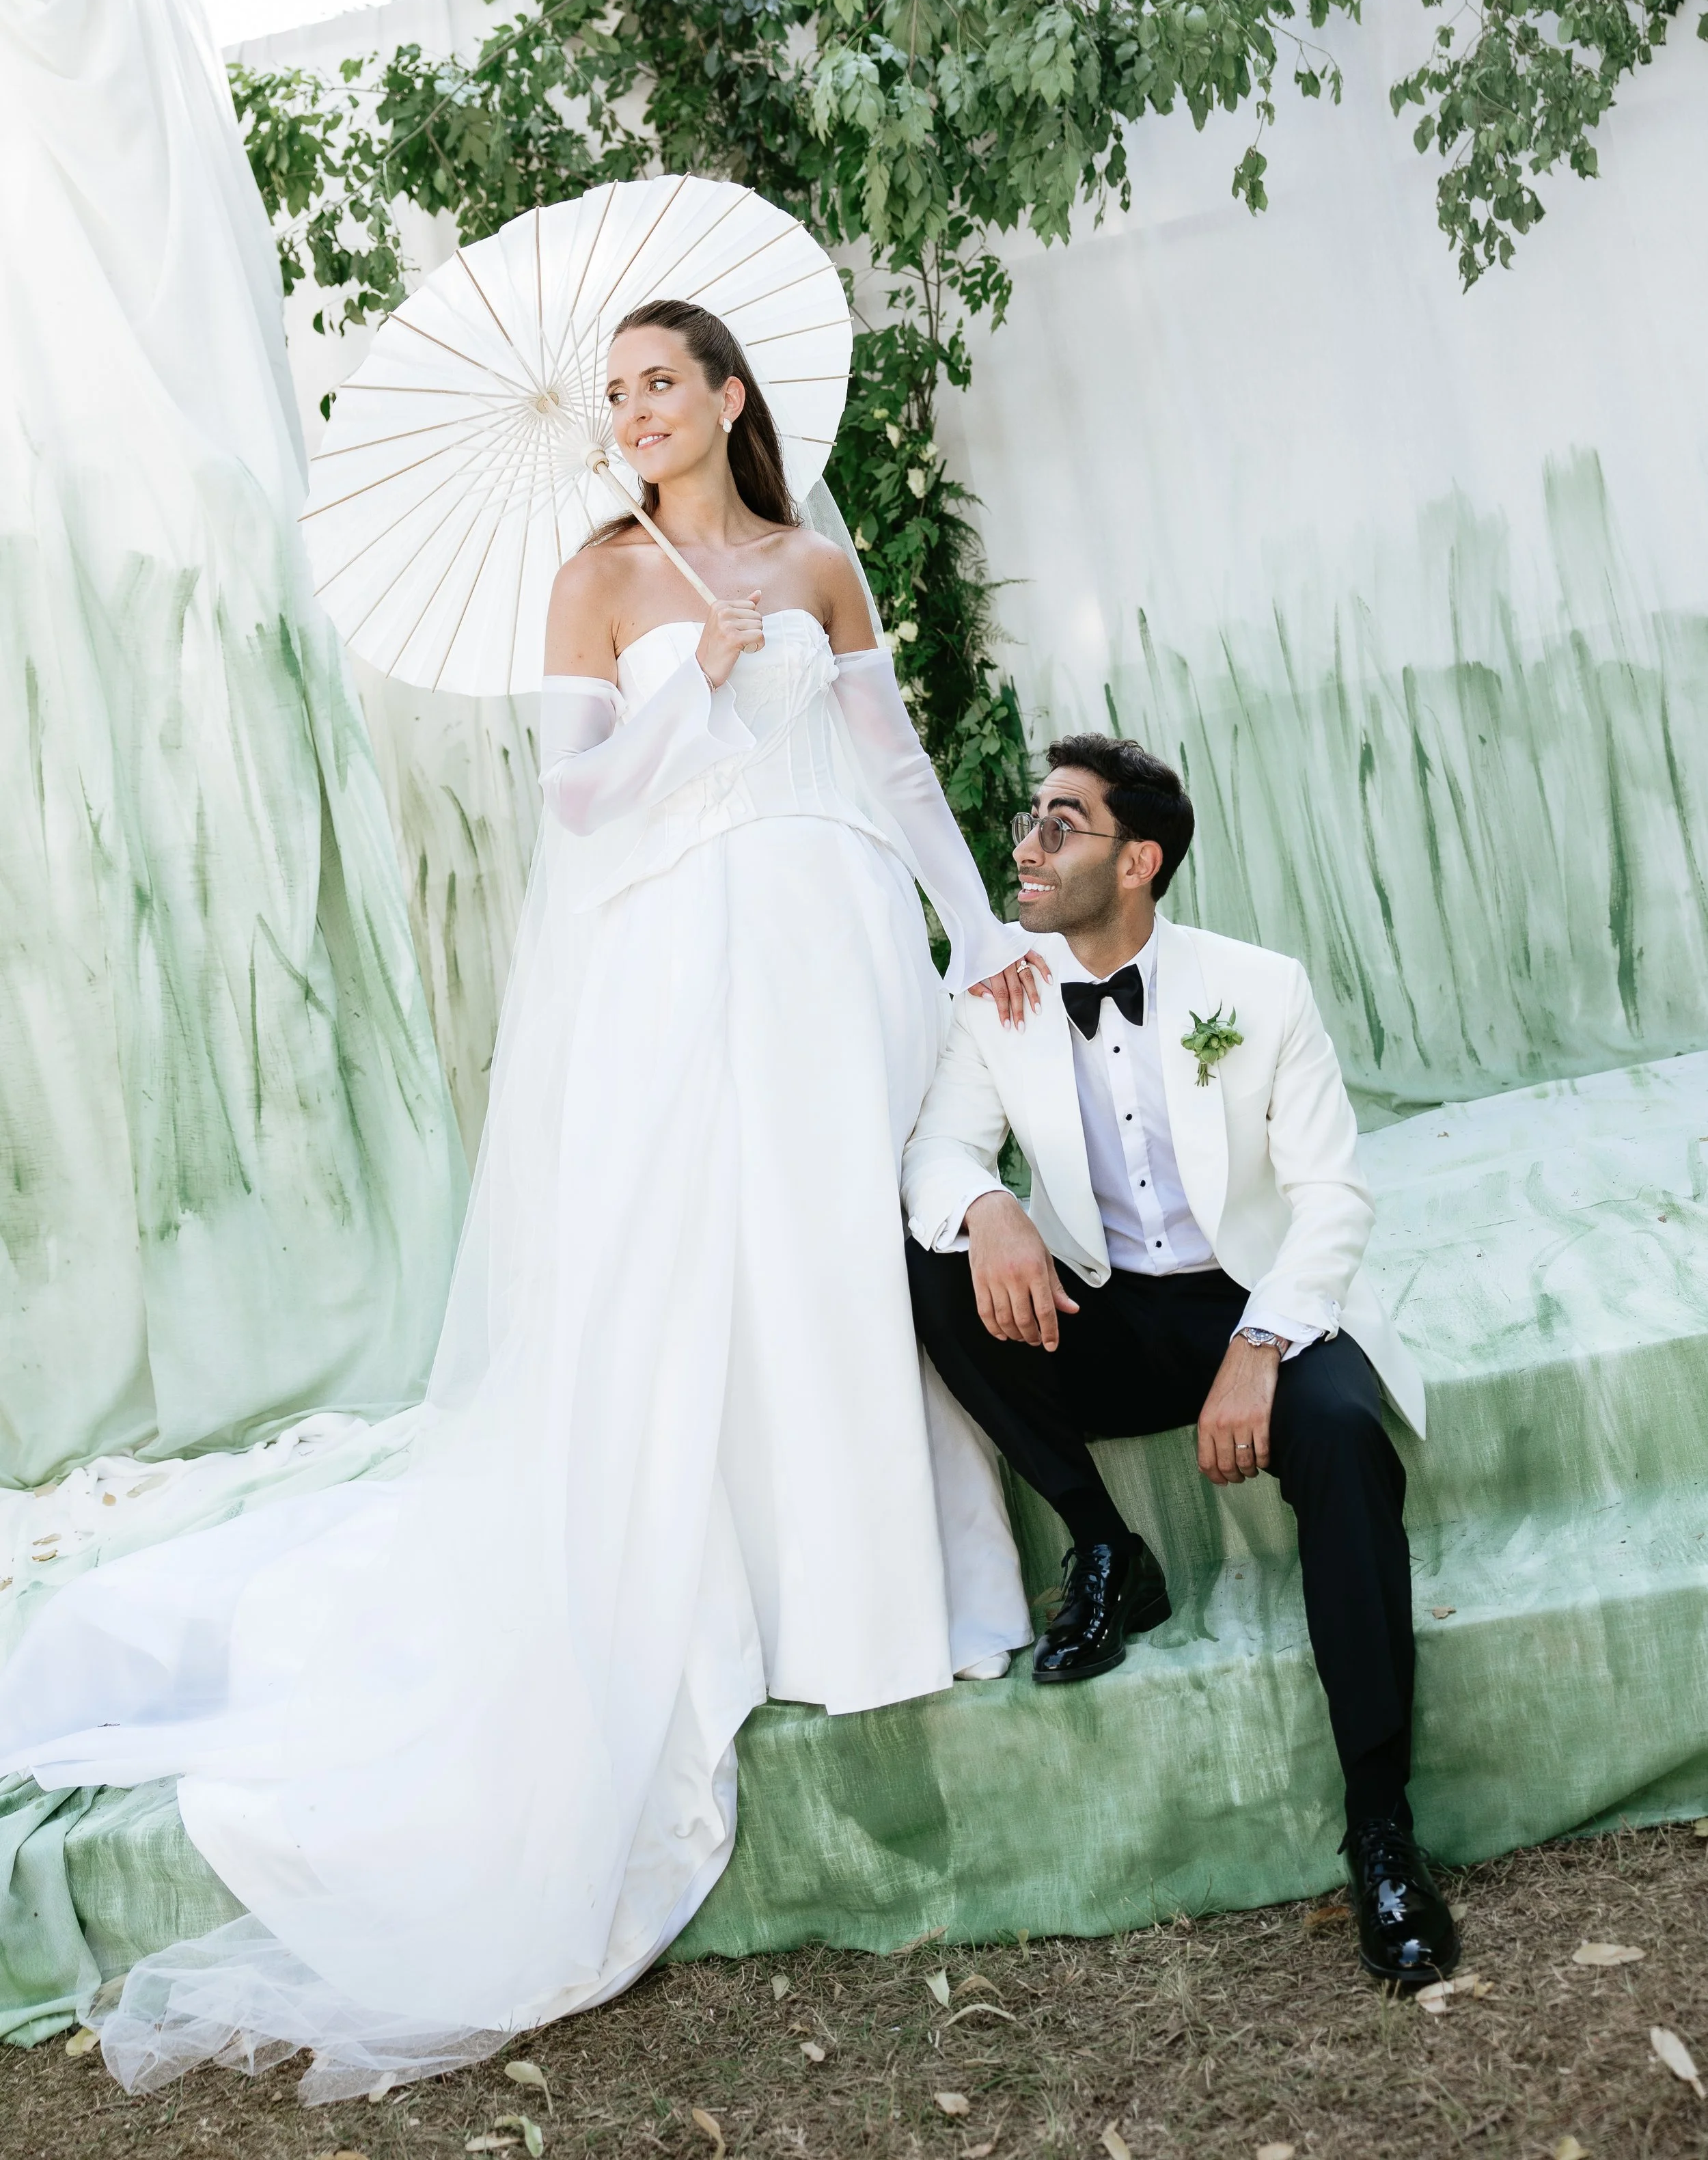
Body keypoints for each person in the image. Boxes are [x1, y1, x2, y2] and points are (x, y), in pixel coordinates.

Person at [0, 300, 1038, 2099]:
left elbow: (887, 765)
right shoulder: (597, 583)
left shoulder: (812, 559)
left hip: (830, 936)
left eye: (664, 381)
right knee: (692, 1279)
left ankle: (880, 1588)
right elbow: (576, 802)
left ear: (728, 396)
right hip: (674, 958)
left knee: (835, 1264)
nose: (638, 410)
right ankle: (732, 1595)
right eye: (617, 391)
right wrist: (686, 697)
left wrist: (978, 928)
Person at [903, 733, 1460, 1988]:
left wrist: (1263, 1341)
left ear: (1140, 861)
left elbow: (1333, 1198)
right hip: (1104, 1309)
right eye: (1029, 820)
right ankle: (1106, 1543)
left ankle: (1380, 1825)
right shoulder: (998, 989)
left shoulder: (1259, 988)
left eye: (1062, 825)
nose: (1027, 845)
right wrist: (989, 1209)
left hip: (1261, 1301)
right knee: (929, 1263)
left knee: (1342, 1440)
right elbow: (939, 1152)